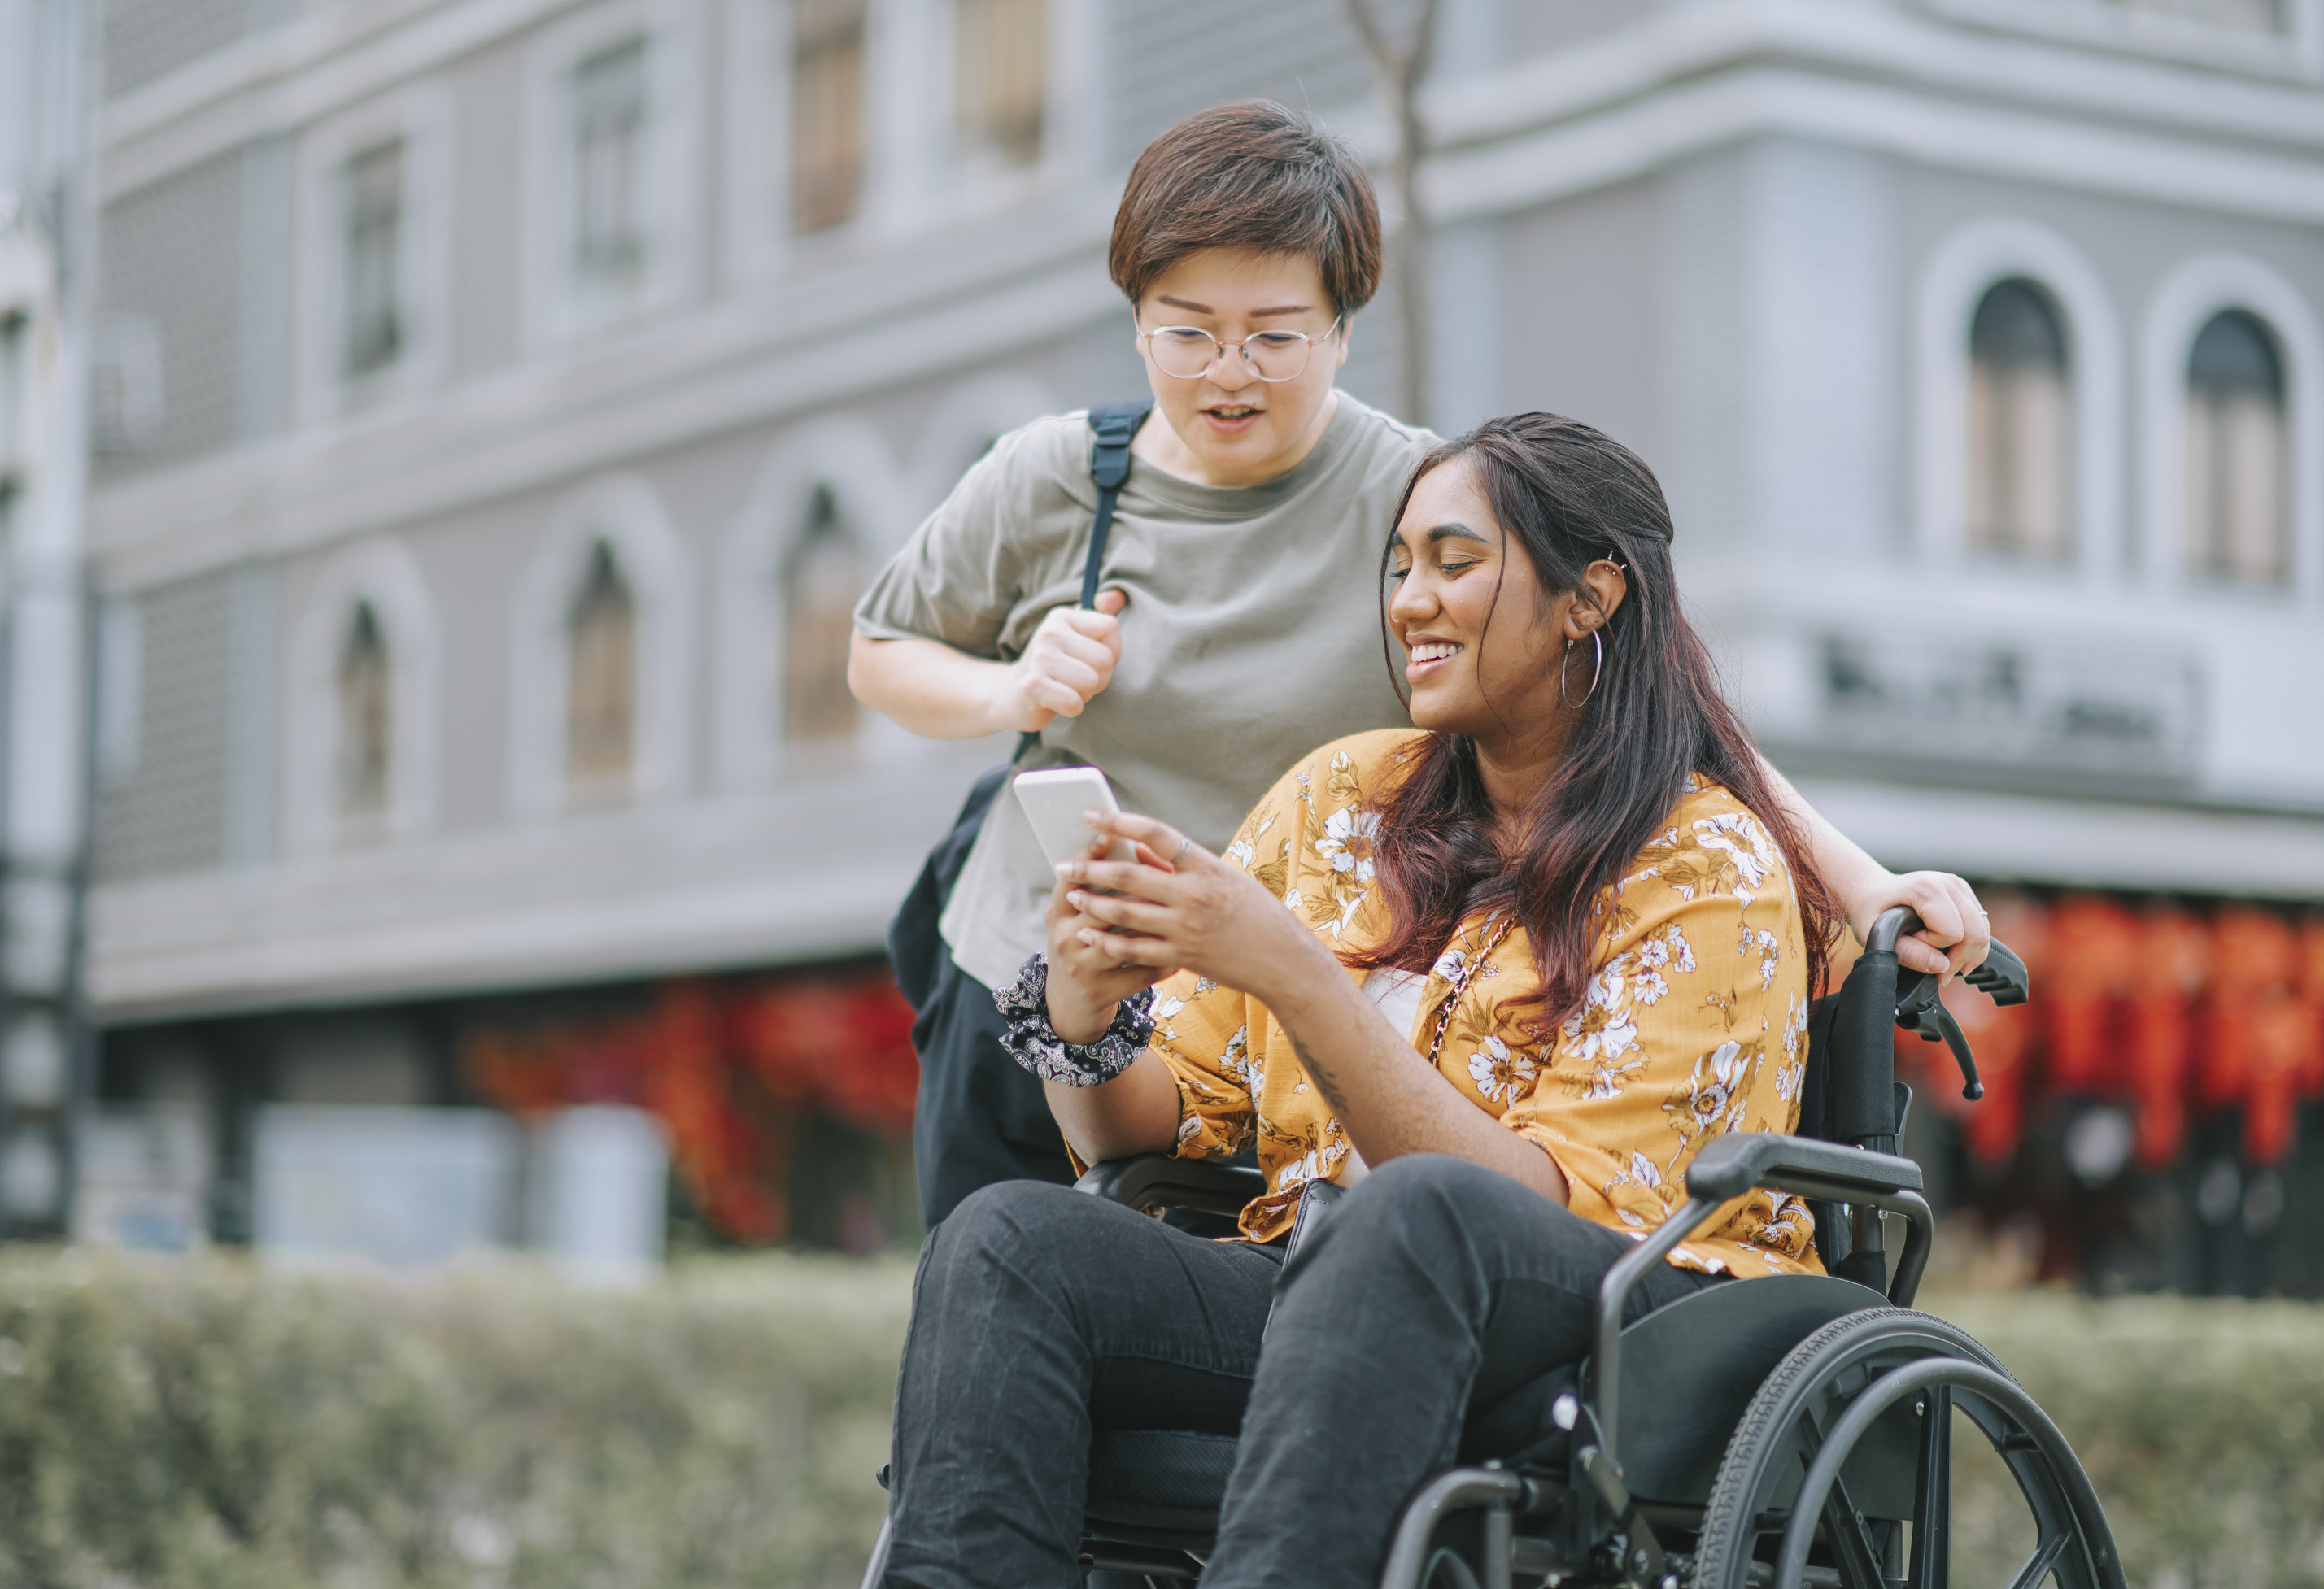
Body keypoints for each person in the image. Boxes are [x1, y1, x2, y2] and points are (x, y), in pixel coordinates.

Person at [851, 101, 1988, 1230]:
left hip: (1266, 1015)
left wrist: (1864, 885)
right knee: (990, 1284)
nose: (1228, 373)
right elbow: (878, 651)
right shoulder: (1053, 476)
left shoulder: (1418, 505)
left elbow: (1650, 703)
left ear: (1344, 331)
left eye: (1276, 333)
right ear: (1137, 322)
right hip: (1047, 963)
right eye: (1185, 331)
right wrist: (1013, 690)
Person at [881, 413, 1880, 1589]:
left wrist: (1299, 977)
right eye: (1399, 565)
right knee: (1007, 1239)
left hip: (1625, 1319)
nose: (1410, 600)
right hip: (1331, 1293)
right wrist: (1085, 1015)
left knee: (1412, 1219)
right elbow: (1153, 1124)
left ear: (1590, 597)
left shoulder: (1703, 867)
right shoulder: (1338, 799)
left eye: (1456, 563)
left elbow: (1548, 1210)